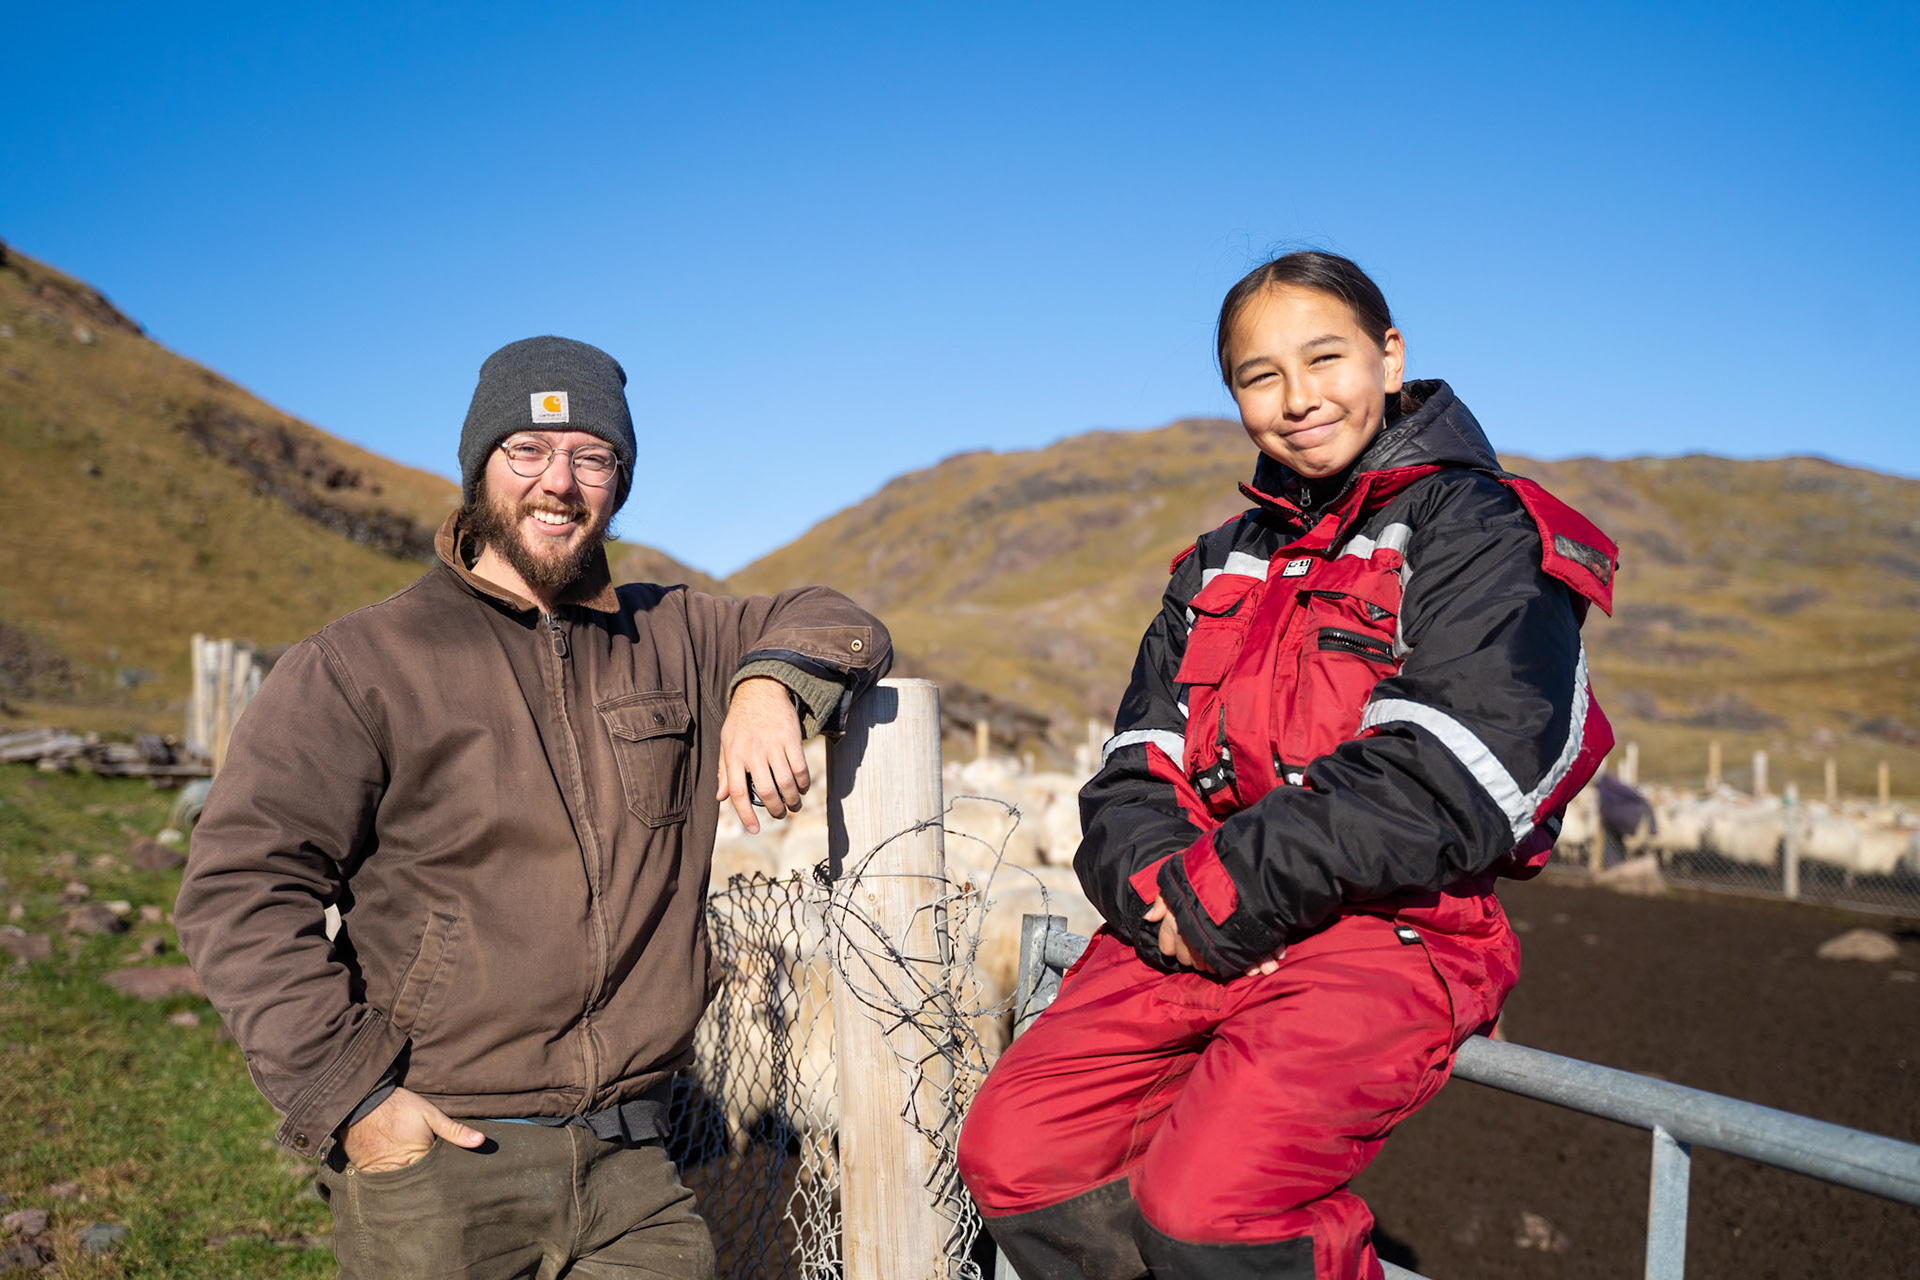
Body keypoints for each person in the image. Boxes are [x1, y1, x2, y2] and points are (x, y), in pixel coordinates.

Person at [956, 252, 1617, 1280]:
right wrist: (1168, 895)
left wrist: (1229, 891)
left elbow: (1462, 761)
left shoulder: (1478, 530)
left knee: (1208, 1211)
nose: (1298, 397)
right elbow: (1135, 766)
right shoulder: (1218, 560)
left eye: (1325, 358)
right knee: (1018, 1155)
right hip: (1191, 911)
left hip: (1387, 924)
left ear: (1389, 357)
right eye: (1259, 376)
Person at [176, 335, 891, 1279]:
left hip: (636, 1166)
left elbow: (841, 620)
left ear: (620, 482)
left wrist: (767, 685)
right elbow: (238, 890)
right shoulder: (361, 665)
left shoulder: (674, 633)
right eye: (529, 450)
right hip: (441, 1157)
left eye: (592, 457)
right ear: (480, 467)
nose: (559, 482)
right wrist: (353, 1100)